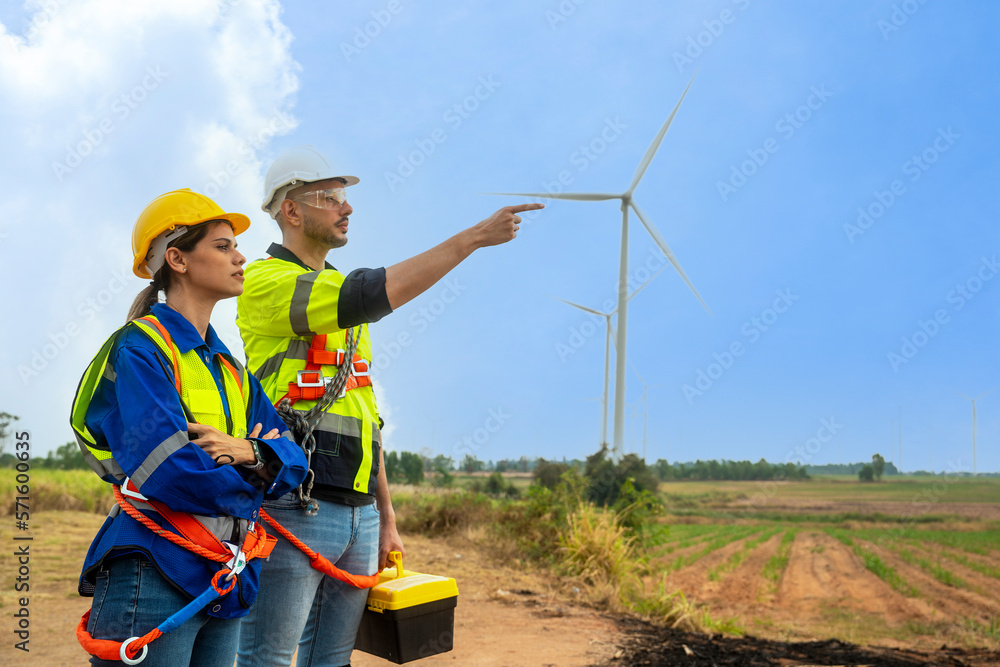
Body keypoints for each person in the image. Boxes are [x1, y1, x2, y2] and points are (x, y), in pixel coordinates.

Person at [236, 145, 542, 666]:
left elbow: (366, 418)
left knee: (331, 660)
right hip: (293, 505)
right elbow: (373, 291)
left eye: (346, 197)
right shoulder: (264, 283)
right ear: (291, 210)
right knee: (266, 657)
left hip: (359, 516)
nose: (346, 208)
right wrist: (472, 239)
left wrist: (387, 515)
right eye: (330, 197)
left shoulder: (341, 299)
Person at [70, 189, 308, 666]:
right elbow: (171, 469)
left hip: (224, 571)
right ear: (177, 259)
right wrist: (259, 481)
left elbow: (295, 458)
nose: (240, 256)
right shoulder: (140, 349)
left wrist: (250, 453)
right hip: (155, 564)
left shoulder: (231, 370)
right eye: (222, 246)